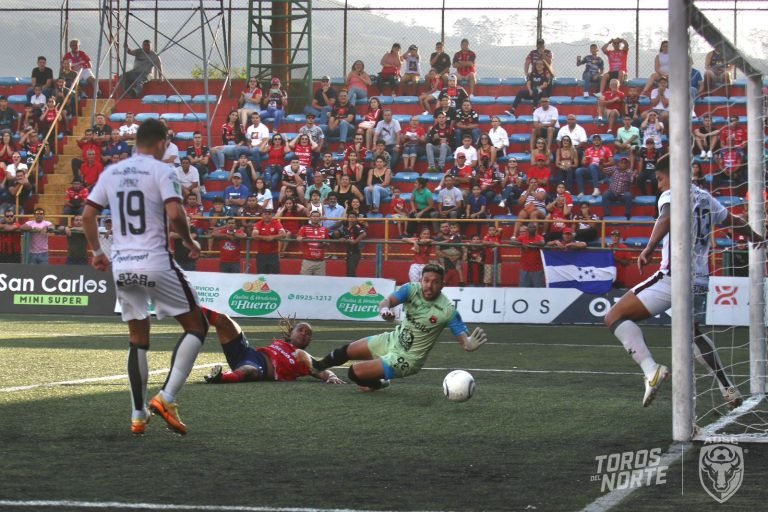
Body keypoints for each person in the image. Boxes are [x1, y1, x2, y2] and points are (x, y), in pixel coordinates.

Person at [82, 118, 207, 436]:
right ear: (163, 142)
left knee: (138, 339)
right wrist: (190, 242)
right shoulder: (163, 170)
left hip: (123, 264)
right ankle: (166, 397)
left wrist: (98, 250)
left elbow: (88, 214)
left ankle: (138, 415)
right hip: (155, 260)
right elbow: (176, 214)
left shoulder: (111, 172)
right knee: (196, 326)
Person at [603, 162, 764, 408]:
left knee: (614, 316)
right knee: (693, 333)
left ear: (671, 175)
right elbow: (731, 220)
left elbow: (666, 217)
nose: (659, 184)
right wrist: (755, 236)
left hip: (672, 276)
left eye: (659, 178)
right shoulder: (706, 197)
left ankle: (651, 369)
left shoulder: (671, 194)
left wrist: (649, 247)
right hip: (700, 278)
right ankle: (727, 387)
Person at [313, 264, 487, 391]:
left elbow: (464, 341)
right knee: (346, 351)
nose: (429, 285)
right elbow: (386, 301)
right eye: (426, 280)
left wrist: (468, 344)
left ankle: (379, 383)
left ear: (442, 285)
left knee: (354, 373)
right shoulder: (411, 289)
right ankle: (317, 367)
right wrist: (385, 309)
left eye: (435, 282)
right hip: (393, 339)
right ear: (421, 280)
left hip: (406, 359)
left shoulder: (448, 310)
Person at [203, 310, 343, 384]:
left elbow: (323, 371)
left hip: (259, 368)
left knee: (248, 370)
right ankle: (188, 309)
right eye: (300, 330)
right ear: (291, 332)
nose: (304, 333)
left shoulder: (304, 358)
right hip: (248, 353)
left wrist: (331, 376)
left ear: (309, 341)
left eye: (308, 334)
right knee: (224, 320)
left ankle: (221, 378)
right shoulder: (282, 343)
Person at [251, 207, 285, 274]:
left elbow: (283, 234)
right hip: (261, 254)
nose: (267, 216)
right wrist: (265, 238)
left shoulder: (276, 223)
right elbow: (254, 235)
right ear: (262, 215)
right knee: (261, 276)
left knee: (275, 276)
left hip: (273, 254)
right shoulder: (258, 224)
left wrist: (273, 237)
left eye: (269, 214)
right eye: (265, 214)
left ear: (272, 215)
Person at [511, 222, 545, 287]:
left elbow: (542, 242)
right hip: (525, 268)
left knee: (539, 289)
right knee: (523, 289)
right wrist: (521, 244)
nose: (532, 229)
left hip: (537, 268)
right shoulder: (523, 237)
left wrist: (530, 244)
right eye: (530, 227)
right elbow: (512, 242)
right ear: (527, 229)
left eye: (533, 227)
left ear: (536, 229)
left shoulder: (539, 237)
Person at [296, 210, 329, 275]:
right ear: (310, 218)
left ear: (320, 218)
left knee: (320, 283)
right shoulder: (304, 228)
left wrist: (324, 244)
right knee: (304, 282)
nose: (315, 218)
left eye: (317, 216)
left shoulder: (324, 229)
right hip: (307, 261)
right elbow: (298, 238)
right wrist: (304, 239)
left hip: (320, 262)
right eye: (313, 216)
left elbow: (328, 243)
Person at [340, 211, 367, 277]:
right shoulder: (345, 228)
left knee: (352, 271)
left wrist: (355, 241)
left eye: (353, 217)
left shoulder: (357, 226)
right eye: (350, 217)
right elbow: (346, 236)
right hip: (348, 252)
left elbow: (363, 234)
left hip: (355, 252)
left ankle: (354, 285)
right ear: (347, 218)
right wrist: (343, 239)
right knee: (348, 271)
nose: (351, 219)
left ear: (356, 219)